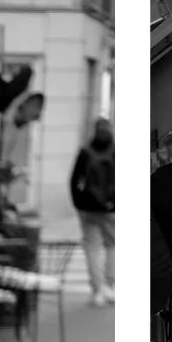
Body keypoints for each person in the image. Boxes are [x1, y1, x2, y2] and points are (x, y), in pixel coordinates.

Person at [71, 116, 115, 305]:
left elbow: (74, 181)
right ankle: (110, 285)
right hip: (110, 208)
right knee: (113, 245)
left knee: (92, 247)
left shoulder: (85, 152)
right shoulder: (116, 151)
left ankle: (97, 289)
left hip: (88, 208)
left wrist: (79, 203)